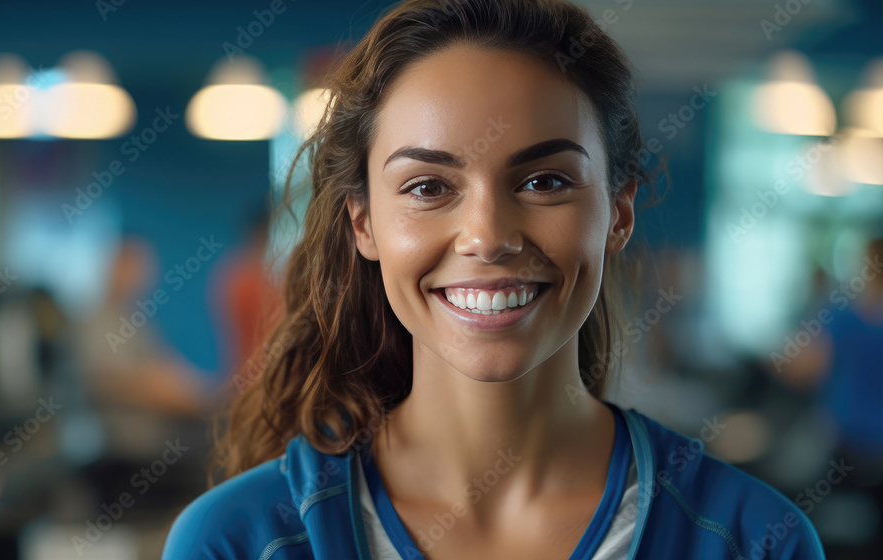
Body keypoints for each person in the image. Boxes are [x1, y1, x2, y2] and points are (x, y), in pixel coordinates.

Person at [162, 0, 825, 558]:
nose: (486, 236)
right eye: (427, 186)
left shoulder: (752, 539)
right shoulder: (239, 542)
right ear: (363, 224)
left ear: (618, 213)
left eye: (544, 182)